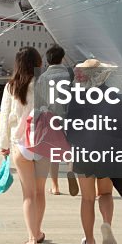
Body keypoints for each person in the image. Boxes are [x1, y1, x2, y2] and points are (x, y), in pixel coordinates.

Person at [63, 59, 122, 244]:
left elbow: (70, 127)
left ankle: (89, 241)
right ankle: (106, 223)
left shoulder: (76, 95)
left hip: (84, 153)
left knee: (87, 198)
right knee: (105, 193)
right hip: (107, 152)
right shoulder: (111, 95)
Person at [0, 46, 47, 244]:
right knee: (40, 192)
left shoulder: (11, 86)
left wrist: (3, 144)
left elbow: (4, 117)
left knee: (28, 194)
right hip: (43, 143)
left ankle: (31, 239)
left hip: (22, 143)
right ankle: (37, 231)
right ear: (38, 63)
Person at [37, 45, 79, 197]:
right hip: (71, 116)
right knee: (71, 149)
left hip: (51, 118)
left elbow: (40, 101)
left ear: (48, 61)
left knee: (52, 152)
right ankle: (70, 171)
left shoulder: (42, 78)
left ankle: (54, 186)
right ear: (62, 58)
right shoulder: (70, 75)